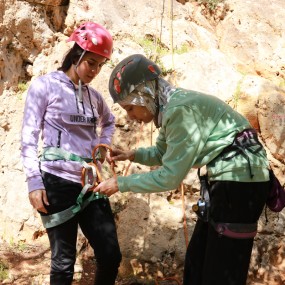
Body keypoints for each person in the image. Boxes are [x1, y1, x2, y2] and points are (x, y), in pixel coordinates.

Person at [94, 54, 271, 285]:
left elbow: (170, 177)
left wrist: (121, 184)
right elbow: (161, 153)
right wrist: (132, 154)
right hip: (228, 181)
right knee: (197, 265)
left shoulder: (179, 110)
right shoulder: (170, 108)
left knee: (220, 271)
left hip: (239, 184)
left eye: (130, 107)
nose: (131, 116)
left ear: (145, 94)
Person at [21, 22, 122, 285]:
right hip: (56, 181)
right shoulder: (44, 87)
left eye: (100, 65)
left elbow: (108, 121)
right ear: (76, 55)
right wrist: (34, 182)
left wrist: (102, 149)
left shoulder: (94, 97)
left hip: (91, 183)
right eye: (91, 62)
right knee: (64, 262)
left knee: (110, 255)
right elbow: (29, 137)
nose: (95, 71)